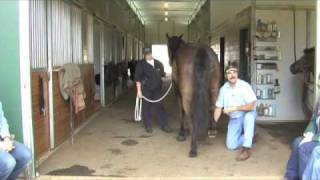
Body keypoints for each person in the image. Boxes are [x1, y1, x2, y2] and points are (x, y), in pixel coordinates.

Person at [213, 61, 257, 161]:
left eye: (234, 72)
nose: (232, 75)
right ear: (226, 76)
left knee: (249, 117)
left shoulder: (244, 86)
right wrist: (213, 124)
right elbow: (218, 108)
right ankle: (250, 136)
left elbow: (252, 106)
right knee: (231, 145)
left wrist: (234, 108)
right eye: (229, 73)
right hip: (235, 118)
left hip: (247, 113)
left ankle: (246, 149)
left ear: (237, 74)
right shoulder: (223, 89)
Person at [135, 48, 172, 133]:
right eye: (147, 54)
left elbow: (163, 74)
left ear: (152, 53)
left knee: (160, 105)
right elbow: (138, 79)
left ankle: (164, 125)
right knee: (147, 106)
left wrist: (171, 75)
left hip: (157, 89)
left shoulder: (158, 64)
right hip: (146, 89)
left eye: (150, 54)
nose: (148, 55)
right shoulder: (141, 65)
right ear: (144, 55)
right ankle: (148, 125)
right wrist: (139, 91)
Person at [284, 97, 320, 180]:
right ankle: (291, 175)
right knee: (297, 142)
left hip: (318, 139)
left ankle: (303, 177)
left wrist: (313, 138)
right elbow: (313, 121)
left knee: (304, 147)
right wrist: (309, 132)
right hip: (316, 136)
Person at [0, 101, 32, 180]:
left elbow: (2, 121)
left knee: (26, 155)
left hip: (2, 140)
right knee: (9, 162)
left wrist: (6, 138)